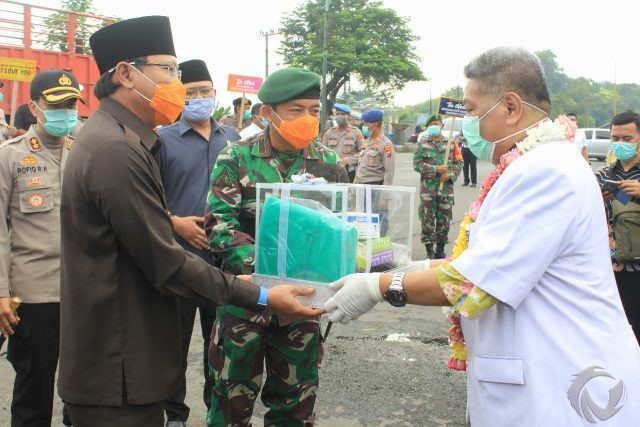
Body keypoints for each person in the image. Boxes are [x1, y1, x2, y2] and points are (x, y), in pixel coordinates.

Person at [323, 46, 640, 426]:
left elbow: (474, 283)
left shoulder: (544, 172)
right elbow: (489, 258)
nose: (468, 122)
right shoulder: (537, 163)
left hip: (561, 385)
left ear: (510, 107)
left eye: (472, 110)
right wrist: (417, 264)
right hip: (548, 375)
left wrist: (380, 285)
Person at [55, 16, 318, 426]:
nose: (179, 83)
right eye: (170, 70)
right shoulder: (115, 150)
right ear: (126, 73)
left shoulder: (121, 139)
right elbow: (166, 261)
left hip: (122, 358)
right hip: (118, 367)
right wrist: (260, 293)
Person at [204, 66, 348, 427]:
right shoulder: (236, 157)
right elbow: (220, 227)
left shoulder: (328, 164)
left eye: (314, 111)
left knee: (295, 407)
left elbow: (342, 229)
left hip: (302, 305)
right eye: (295, 110)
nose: (307, 118)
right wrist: (269, 269)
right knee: (230, 405)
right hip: (245, 303)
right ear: (268, 113)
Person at [157, 58, 240, 427]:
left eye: (205, 91)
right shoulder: (161, 140)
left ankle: (213, 408)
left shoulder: (234, 140)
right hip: (177, 258)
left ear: (215, 94)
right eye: (191, 93)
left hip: (222, 261)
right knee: (171, 347)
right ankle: (175, 414)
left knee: (218, 346)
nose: (199, 98)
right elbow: (145, 200)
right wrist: (174, 224)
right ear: (180, 97)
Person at [0, 69, 83, 427]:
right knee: (33, 395)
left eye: (71, 104)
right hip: (34, 297)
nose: (65, 111)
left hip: (82, 294)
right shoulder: (10, 156)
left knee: (82, 391)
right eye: (56, 104)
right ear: (35, 107)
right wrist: (1, 292)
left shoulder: (82, 153)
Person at [595, 110, 640, 344]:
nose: (620, 144)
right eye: (616, 138)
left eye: (627, 139)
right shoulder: (602, 175)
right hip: (609, 269)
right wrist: (595, 200)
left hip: (638, 269)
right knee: (615, 333)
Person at [413, 114, 462, 259]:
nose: (435, 126)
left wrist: (451, 175)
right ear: (428, 127)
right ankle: (429, 250)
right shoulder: (422, 144)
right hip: (428, 190)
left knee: (444, 220)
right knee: (427, 219)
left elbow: (459, 162)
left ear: (442, 126)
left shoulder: (452, 144)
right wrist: (436, 170)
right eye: (432, 124)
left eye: (437, 123)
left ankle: (440, 248)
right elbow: (417, 165)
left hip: (446, 190)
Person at [321, 103, 365, 182]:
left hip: (349, 172)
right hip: (331, 171)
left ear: (348, 116)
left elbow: (363, 152)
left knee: (348, 193)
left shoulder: (356, 132)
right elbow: (321, 150)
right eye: (337, 114)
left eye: (342, 114)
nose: (339, 116)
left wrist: (348, 160)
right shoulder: (329, 132)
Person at [353, 108, 395, 185]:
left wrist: (385, 194)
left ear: (375, 124)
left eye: (366, 124)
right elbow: (361, 167)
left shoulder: (386, 144)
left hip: (375, 187)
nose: (363, 127)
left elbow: (389, 172)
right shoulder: (366, 142)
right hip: (360, 186)